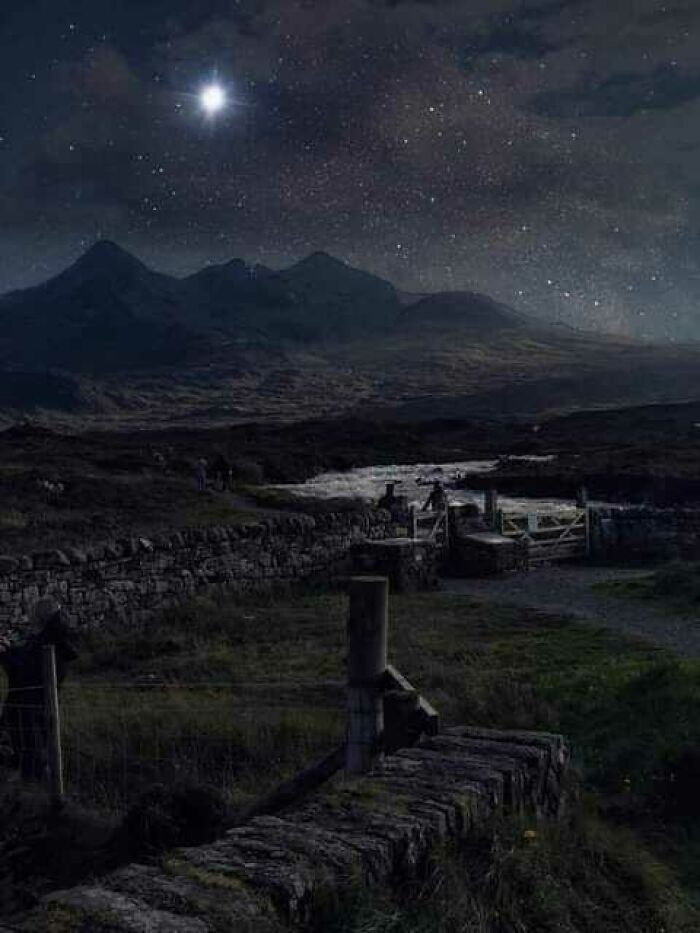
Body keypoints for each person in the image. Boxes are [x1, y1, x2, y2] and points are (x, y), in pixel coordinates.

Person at [0, 597, 77, 782]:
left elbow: (24, 672)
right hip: (40, 701)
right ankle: (38, 781)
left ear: (41, 618)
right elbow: (29, 661)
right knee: (37, 746)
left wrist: (5, 654)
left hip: (30, 704)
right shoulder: (55, 638)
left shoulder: (48, 641)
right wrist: (9, 650)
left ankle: (33, 784)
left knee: (30, 749)